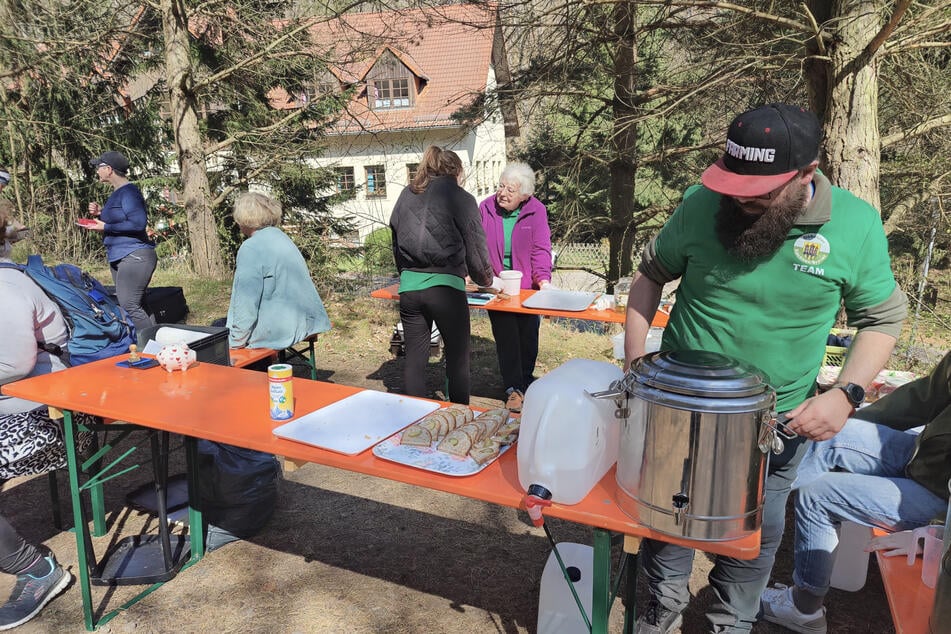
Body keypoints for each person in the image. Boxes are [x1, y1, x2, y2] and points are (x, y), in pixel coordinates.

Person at [622, 103, 907, 633]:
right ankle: (658, 613)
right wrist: (637, 365)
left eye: (759, 190)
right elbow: (647, 278)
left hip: (776, 425)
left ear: (808, 172)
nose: (739, 198)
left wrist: (846, 394)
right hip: (682, 410)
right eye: (733, 182)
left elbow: (884, 319)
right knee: (670, 519)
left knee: (757, 531)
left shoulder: (854, 225)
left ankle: (733, 621)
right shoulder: (703, 204)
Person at [760, 350, 951, 633]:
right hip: (923, 457)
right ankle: (752, 526)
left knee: (818, 494)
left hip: (942, 505)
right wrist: (847, 420)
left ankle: (804, 609)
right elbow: (923, 397)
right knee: (830, 436)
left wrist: (934, 535)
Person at [390, 146, 493, 405]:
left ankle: (414, 421)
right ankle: (459, 419)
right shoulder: (461, 198)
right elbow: (477, 245)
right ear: (456, 171)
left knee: (414, 359)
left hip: (410, 288)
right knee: (458, 360)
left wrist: (405, 272)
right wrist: (486, 280)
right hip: (446, 288)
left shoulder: (406, 194)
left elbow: (395, 236)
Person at [479, 162, 553, 412]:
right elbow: (478, 248)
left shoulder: (537, 210)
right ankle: (514, 388)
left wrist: (543, 281)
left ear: (525, 194)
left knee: (528, 336)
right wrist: (482, 277)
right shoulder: (486, 208)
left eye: (511, 189)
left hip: (527, 289)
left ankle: (525, 381)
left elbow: (541, 248)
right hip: (498, 287)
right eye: (501, 186)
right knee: (506, 337)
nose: (503, 193)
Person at [226, 192, 331, 352]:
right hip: (304, 321)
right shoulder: (282, 237)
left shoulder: (251, 248)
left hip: (278, 330)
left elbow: (246, 301)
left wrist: (235, 342)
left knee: (216, 336)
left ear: (244, 218)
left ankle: (257, 374)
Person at [83, 151, 157, 334]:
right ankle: (153, 340)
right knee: (137, 304)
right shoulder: (119, 193)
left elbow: (138, 223)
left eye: (98, 168)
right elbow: (120, 220)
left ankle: (152, 348)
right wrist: (100, 214)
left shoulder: (130, 193)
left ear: (109, 169)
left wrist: (105, 227)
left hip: (134, 255)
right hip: (120, 256)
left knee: (129, 303)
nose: (96, 171)